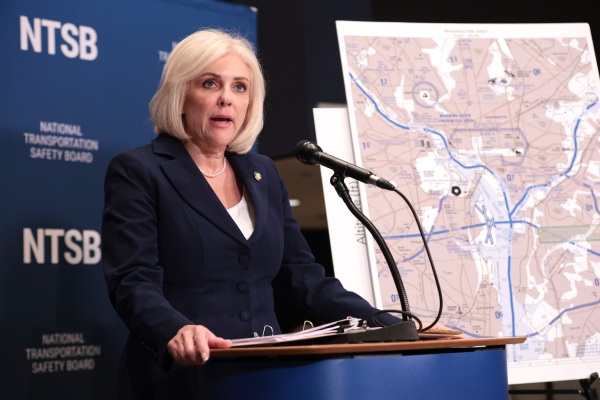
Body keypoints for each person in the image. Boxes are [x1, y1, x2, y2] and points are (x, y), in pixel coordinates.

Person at [101, 28, 413, 399]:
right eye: (210, 83)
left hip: (266, 375)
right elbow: (132, 280)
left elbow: (302, 276)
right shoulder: (140, 170)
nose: (225, 99)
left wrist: (385, 322)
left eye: (239, 87)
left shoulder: (261, 172)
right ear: (181, 95)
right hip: (184, 378)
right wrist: (175, 330)